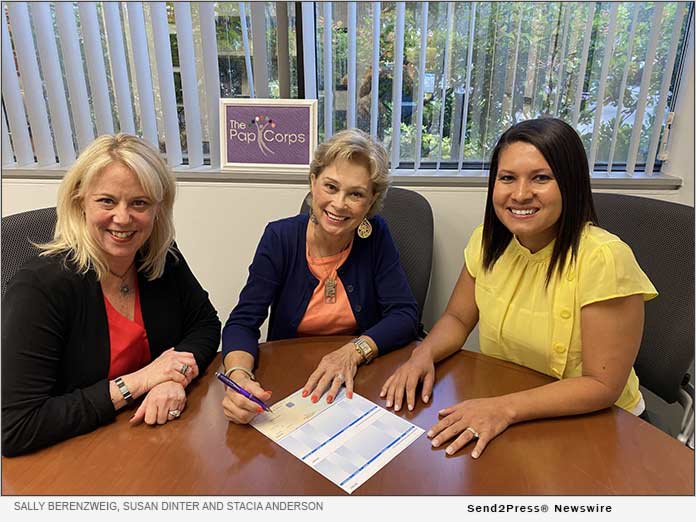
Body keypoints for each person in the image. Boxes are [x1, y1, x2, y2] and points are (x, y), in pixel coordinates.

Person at [381, 118, 657, 458]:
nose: (521, 193)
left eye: (541, 178)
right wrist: (421, 356)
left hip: (597, 423)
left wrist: (503, 409)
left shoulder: (605, 258)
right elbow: (456, 317)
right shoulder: (487, 241)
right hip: (511, 408)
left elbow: (602, 386)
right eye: (507, 178)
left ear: (569, 184)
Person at [1, 134, 221, 457]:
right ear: (81, 202)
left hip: (148, 443)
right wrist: (142, 381)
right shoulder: (40, 288)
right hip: (71, 459)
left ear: (158, 208)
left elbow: (205, 324)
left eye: (139, 203)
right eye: (107, 201)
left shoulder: (160, 257)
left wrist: (174, 378)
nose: (122, 218)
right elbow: (17, 427)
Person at [221, 128, 418, 424]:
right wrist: (238, 376)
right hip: (292, 382)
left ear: (371, 200)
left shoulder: (377, 236)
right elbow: (242, 321)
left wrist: (353, 352)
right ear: (313, 182)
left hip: (361, 378)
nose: (339, 204)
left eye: (356, 194)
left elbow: (405, 314)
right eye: (331, 187)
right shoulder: (280, 237)